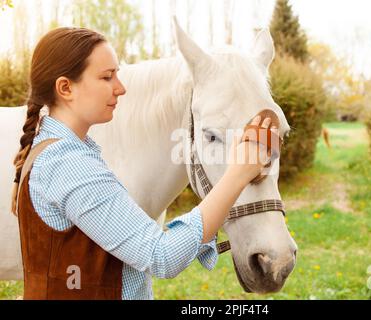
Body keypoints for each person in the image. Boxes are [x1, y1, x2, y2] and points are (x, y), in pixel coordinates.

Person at [10, 27, 276, 300]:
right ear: (66, 88)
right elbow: (161, 256)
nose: (121, 88)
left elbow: (123, 246)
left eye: (118, 75)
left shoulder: (68, 150)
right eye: (107, 77)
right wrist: (238, 174)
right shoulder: (69, 165)